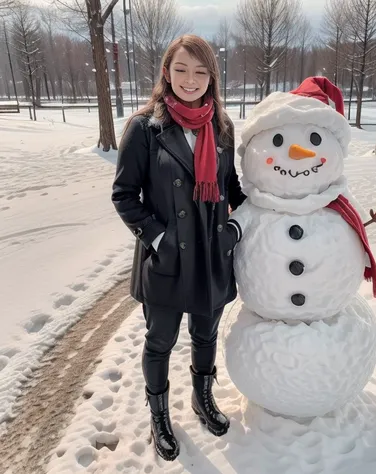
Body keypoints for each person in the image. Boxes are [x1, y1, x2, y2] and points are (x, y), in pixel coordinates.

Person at [111, 34, 246, 462]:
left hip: (210, 254)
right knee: (160, 340)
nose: (191, 80)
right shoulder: (145, 128)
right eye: (182, 69)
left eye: (201, 71)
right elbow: (124, 194)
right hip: (168, 258)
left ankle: (201, 398)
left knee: (205, 335)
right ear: (166, 73)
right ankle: (159, 416)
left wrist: (239, 227)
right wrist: (158, 239)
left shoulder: (221, 126)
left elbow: (233, 189)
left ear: (212, 78)